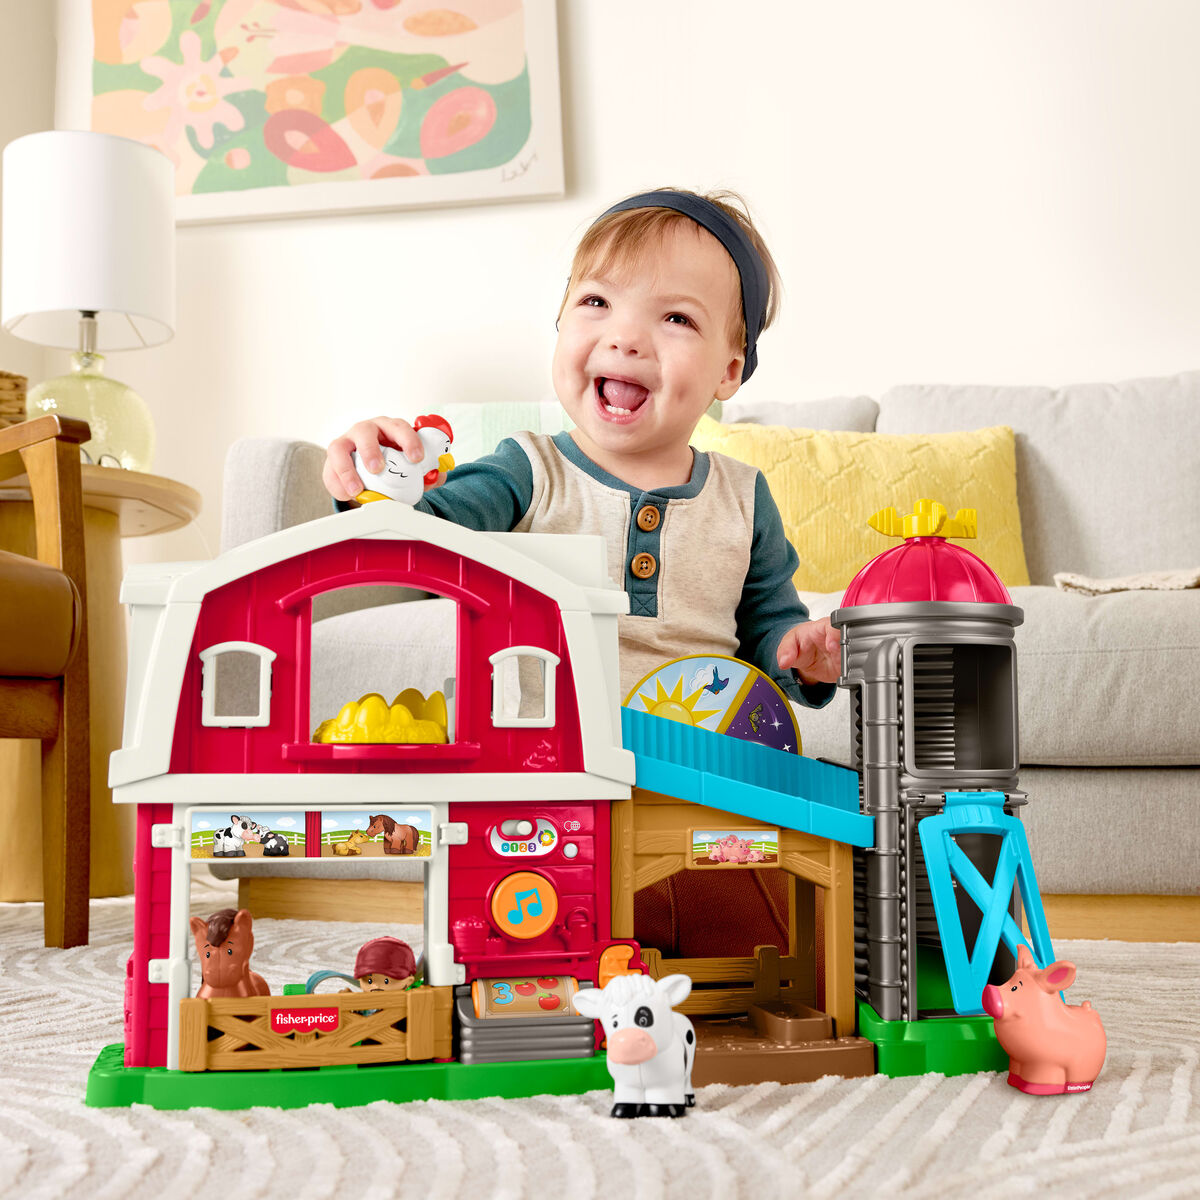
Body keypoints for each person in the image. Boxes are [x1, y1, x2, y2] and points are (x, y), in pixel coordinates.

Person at [323, 188, 840, 705]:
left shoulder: (744, 500)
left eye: (676, 318)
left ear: (728, 371)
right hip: (542, 750)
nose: (625, 337)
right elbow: (421, 540)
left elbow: (771, 632)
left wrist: (804, 656)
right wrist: (375, 480)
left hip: (699, 750)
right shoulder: (527, 471)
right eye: (597, 302)